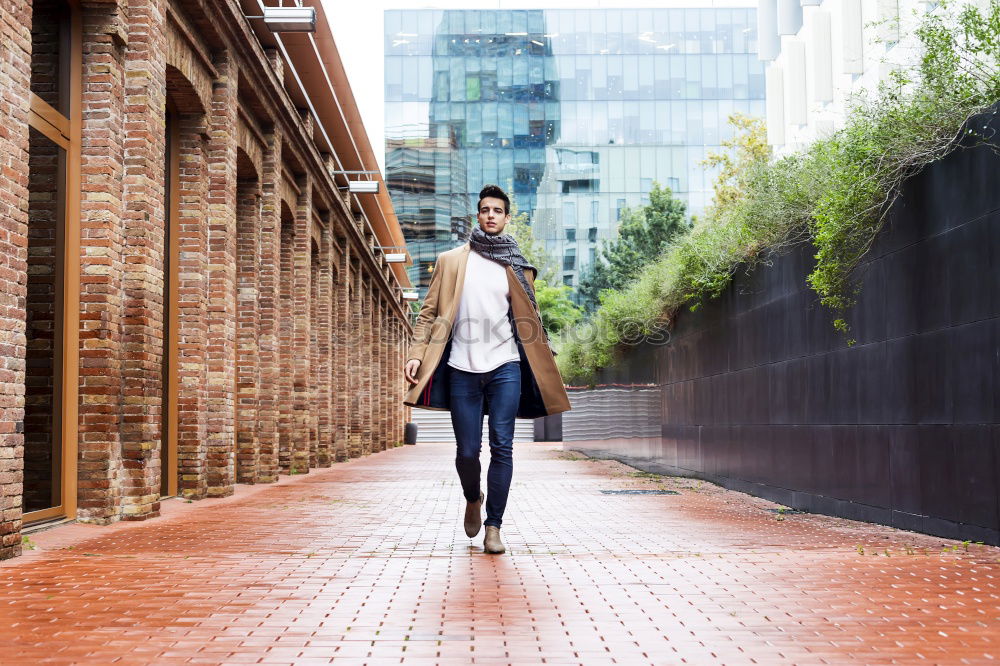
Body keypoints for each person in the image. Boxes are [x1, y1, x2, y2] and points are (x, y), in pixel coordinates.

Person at [403, 185, 571, 554]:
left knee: (503, 447)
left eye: (498, 210)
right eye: (485, 210)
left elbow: (529, 317)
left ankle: (494, 527)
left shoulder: (517, 265)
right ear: (477, 216)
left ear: (507, 218)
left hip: (505, 366)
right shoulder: (451, 262)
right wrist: (416, 352)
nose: (491, 215)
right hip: (462, 367)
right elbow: (427, 313)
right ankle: (472, 497)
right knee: (467, 452)